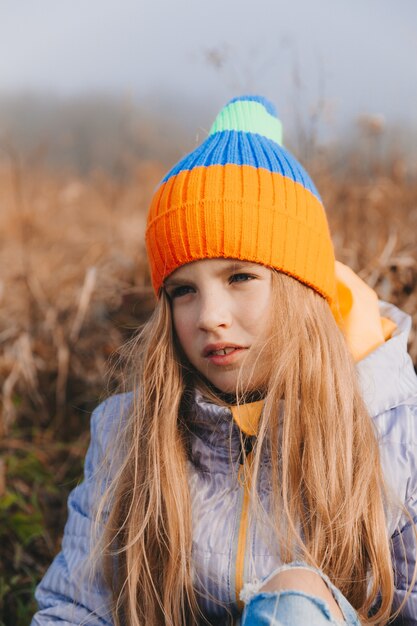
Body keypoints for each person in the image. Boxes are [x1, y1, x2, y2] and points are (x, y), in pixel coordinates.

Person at [31, 95, 417, 626]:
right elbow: (76, 609)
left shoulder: (391, 426)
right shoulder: (128, 431)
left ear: (301, 288)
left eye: (240, 277)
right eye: (183, 290)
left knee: (296, 600)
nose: (210, 316)